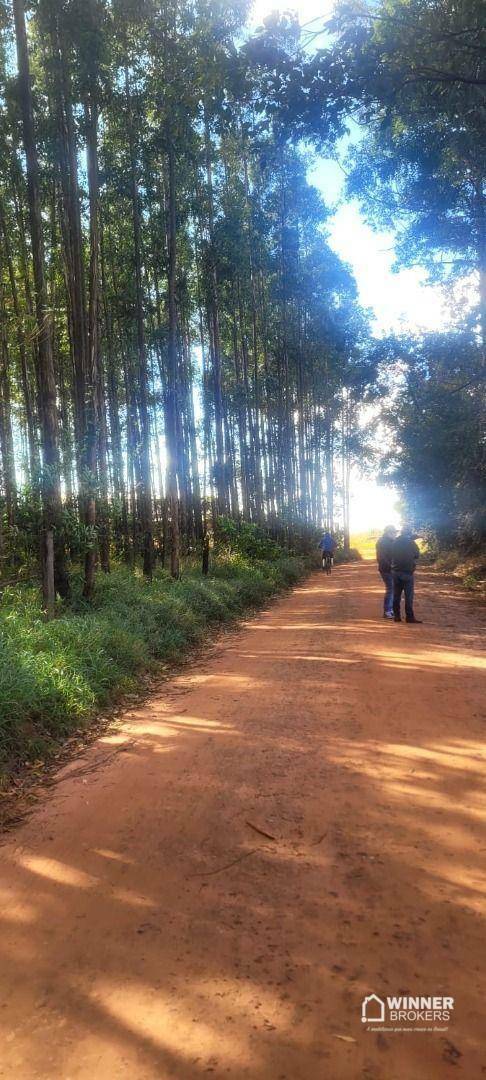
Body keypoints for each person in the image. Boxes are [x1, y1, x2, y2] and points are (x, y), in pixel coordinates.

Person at [391, 527, 422, 623]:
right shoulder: (411, 543)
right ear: (409, 534)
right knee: (408, 596)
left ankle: (397, 616)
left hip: (395, 572)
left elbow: (390, 554)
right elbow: (417, 554)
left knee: (396, 595)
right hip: (407, 572)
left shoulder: (394, 542)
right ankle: (409, 617)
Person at [376, 525, 397, 618]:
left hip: (389, 568)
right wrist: (390, 566)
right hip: (386, 569)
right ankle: (387, 611)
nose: (395, 534)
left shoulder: (389, 541)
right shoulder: (383, 542)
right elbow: (382, 557)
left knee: (392, 589)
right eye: (394, 532)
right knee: (390, 588)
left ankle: (390, 609)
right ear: (389, 533)